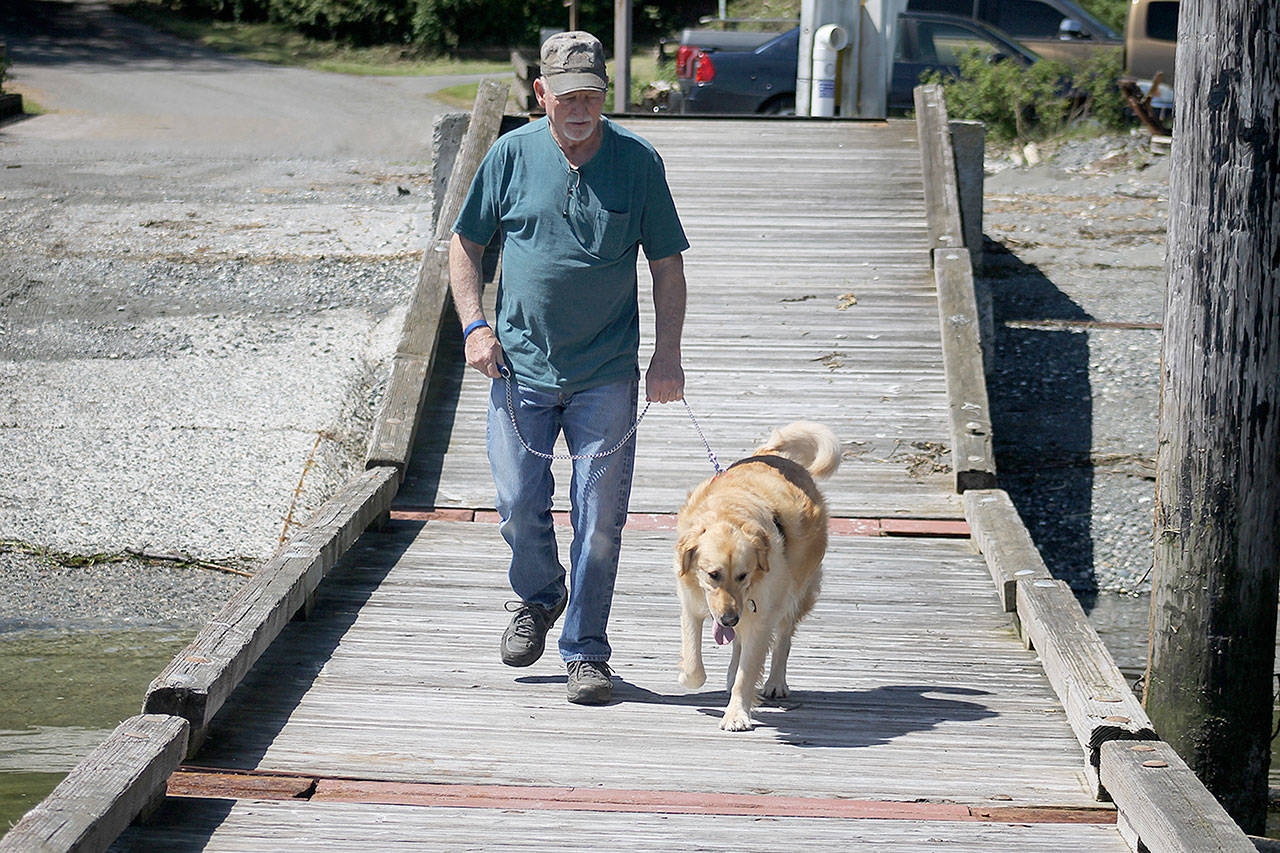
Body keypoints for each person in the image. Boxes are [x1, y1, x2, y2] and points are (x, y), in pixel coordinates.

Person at [448, 30, 689, 706]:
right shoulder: (510, 155)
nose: (580, 108)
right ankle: (540, 594)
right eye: (567, 96)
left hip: (606, 372)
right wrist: (475, 326)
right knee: (518, 504)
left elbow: (667, 266)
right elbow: (464, 246)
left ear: (605, 97)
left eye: (592, 96)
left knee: (599, 517)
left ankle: (586, 649)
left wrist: (666, 355)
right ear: (541, 94)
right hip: (517, 370)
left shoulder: (639, 163)